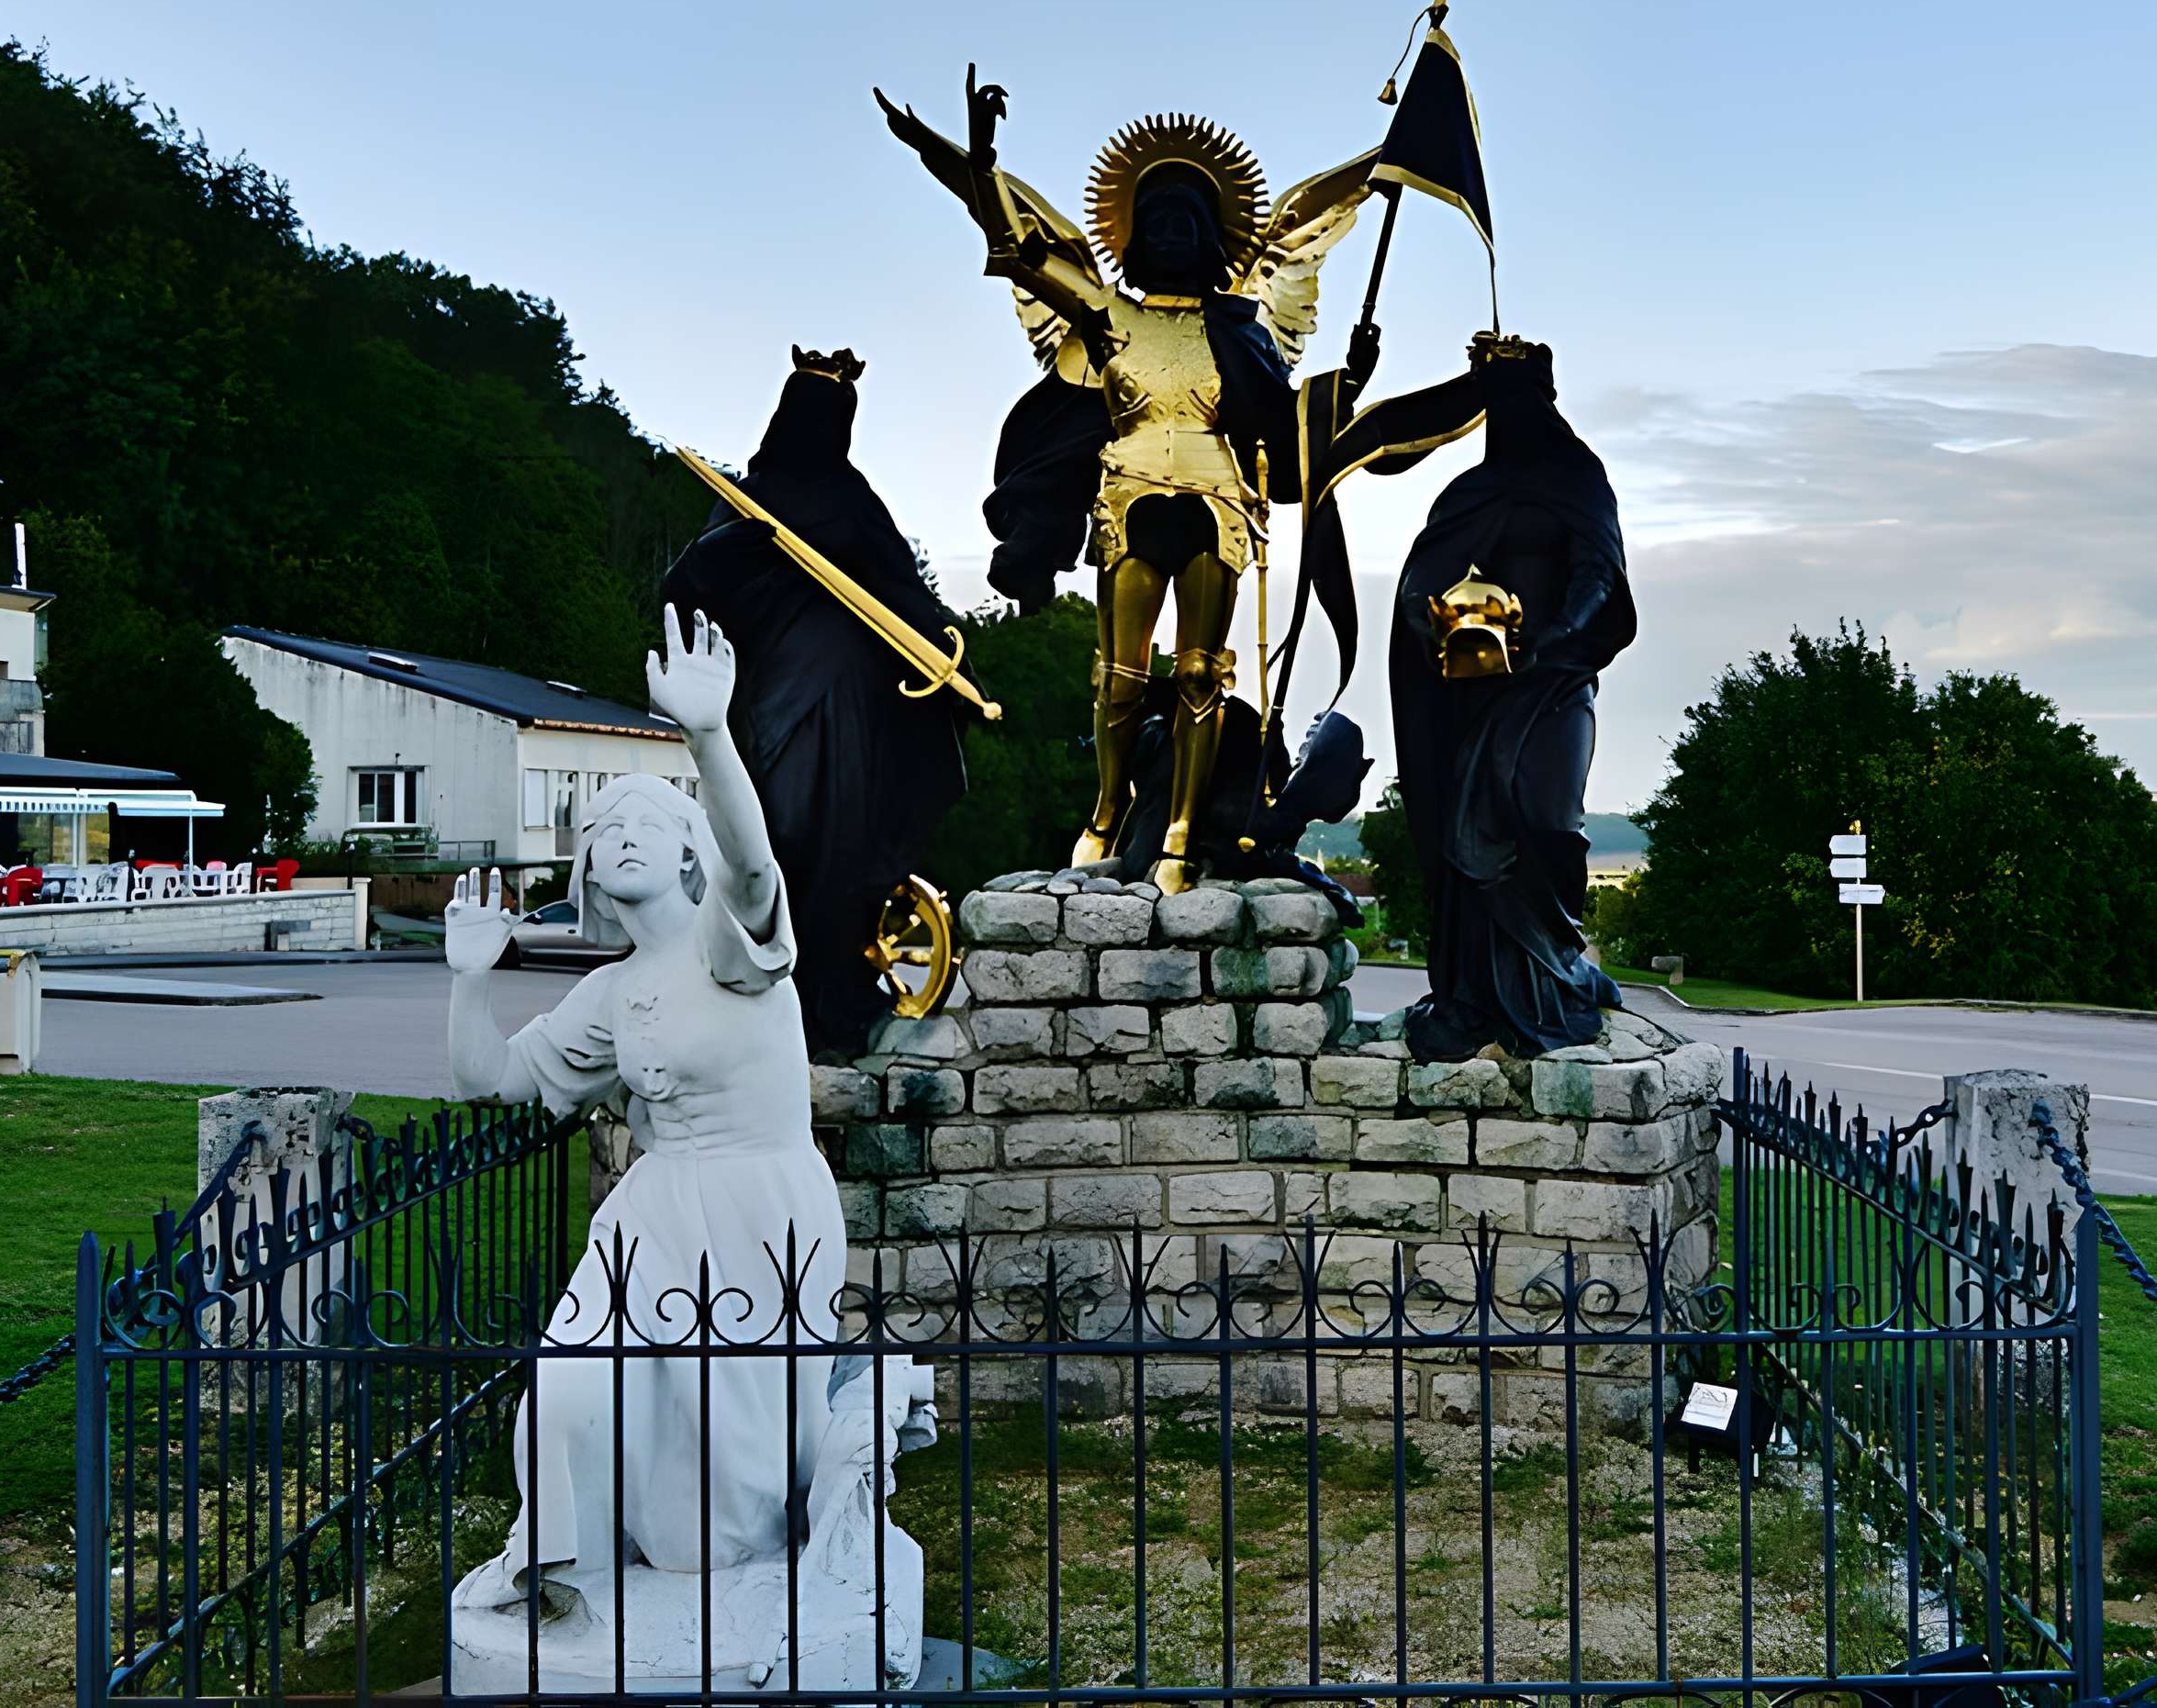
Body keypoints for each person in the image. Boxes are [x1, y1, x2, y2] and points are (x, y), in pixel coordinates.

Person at [877, 71, 1378, 888]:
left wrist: (1345, 384)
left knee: (1203, 671)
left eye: (1190, 219)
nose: (1175, 231)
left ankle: (1179, 828)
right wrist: (971, 159)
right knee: (1119, 673)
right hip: (1129, 487)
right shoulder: (1109, 315)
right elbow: (1022, 250)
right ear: (1136, 234)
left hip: (1219, 495)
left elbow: (1282, 416)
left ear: (1215, 235)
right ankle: (1108, 813)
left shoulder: (1242, 328)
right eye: (1158, 219)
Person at [441, 606, 842, 1615]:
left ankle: (742, 1584)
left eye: (643, 826)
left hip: (761, 1205)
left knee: (712, 1532)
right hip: (652, 1211)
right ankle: (555, 1557)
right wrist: (465, 980)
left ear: (682, 855)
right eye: (600, 831)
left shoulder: (728, 943)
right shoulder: (611, 992)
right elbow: (491, 1080)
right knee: (567, 1380)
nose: (617, 839)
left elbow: (754, 868)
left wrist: (707, 734)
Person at [660, 348, 967, 1058]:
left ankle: (840, 1001)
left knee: (847, 847)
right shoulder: (745, 498)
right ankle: (773, 997)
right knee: (781, 838)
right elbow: (687, 588)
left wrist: (951, 657)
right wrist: (730, 552)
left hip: (858, 708)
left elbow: (905, 595)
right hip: (773, 703)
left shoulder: (856, 503)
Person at [1388, 339, 1637, 1060]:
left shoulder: (1579, 476)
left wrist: (1556, 635)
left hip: (1556, 682)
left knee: (1549, 821)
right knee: (1475, 838)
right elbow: (1419, 584)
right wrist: (1438, 623)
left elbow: (1600, 571)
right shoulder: (1469, 492)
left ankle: (1558, 967)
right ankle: (1475, 994)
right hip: (1479, 693)